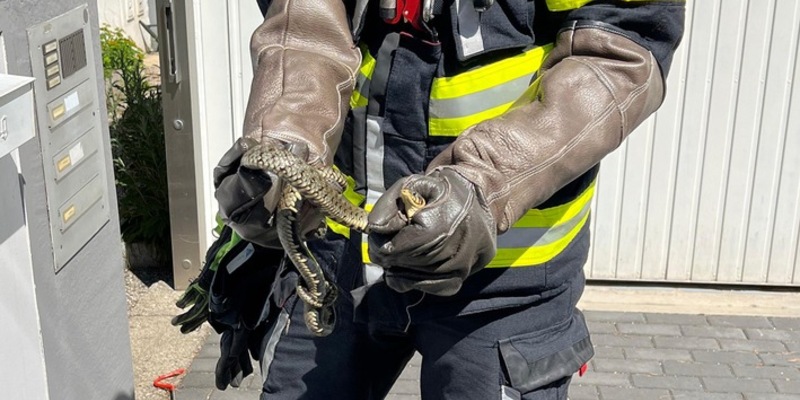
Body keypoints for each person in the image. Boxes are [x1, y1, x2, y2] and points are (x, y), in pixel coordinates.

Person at [180, 0, 685, 398]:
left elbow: (622, 48)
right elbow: (305, 23)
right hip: (336, 259)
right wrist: (286, 138)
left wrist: (487, 181)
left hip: (504, 282)